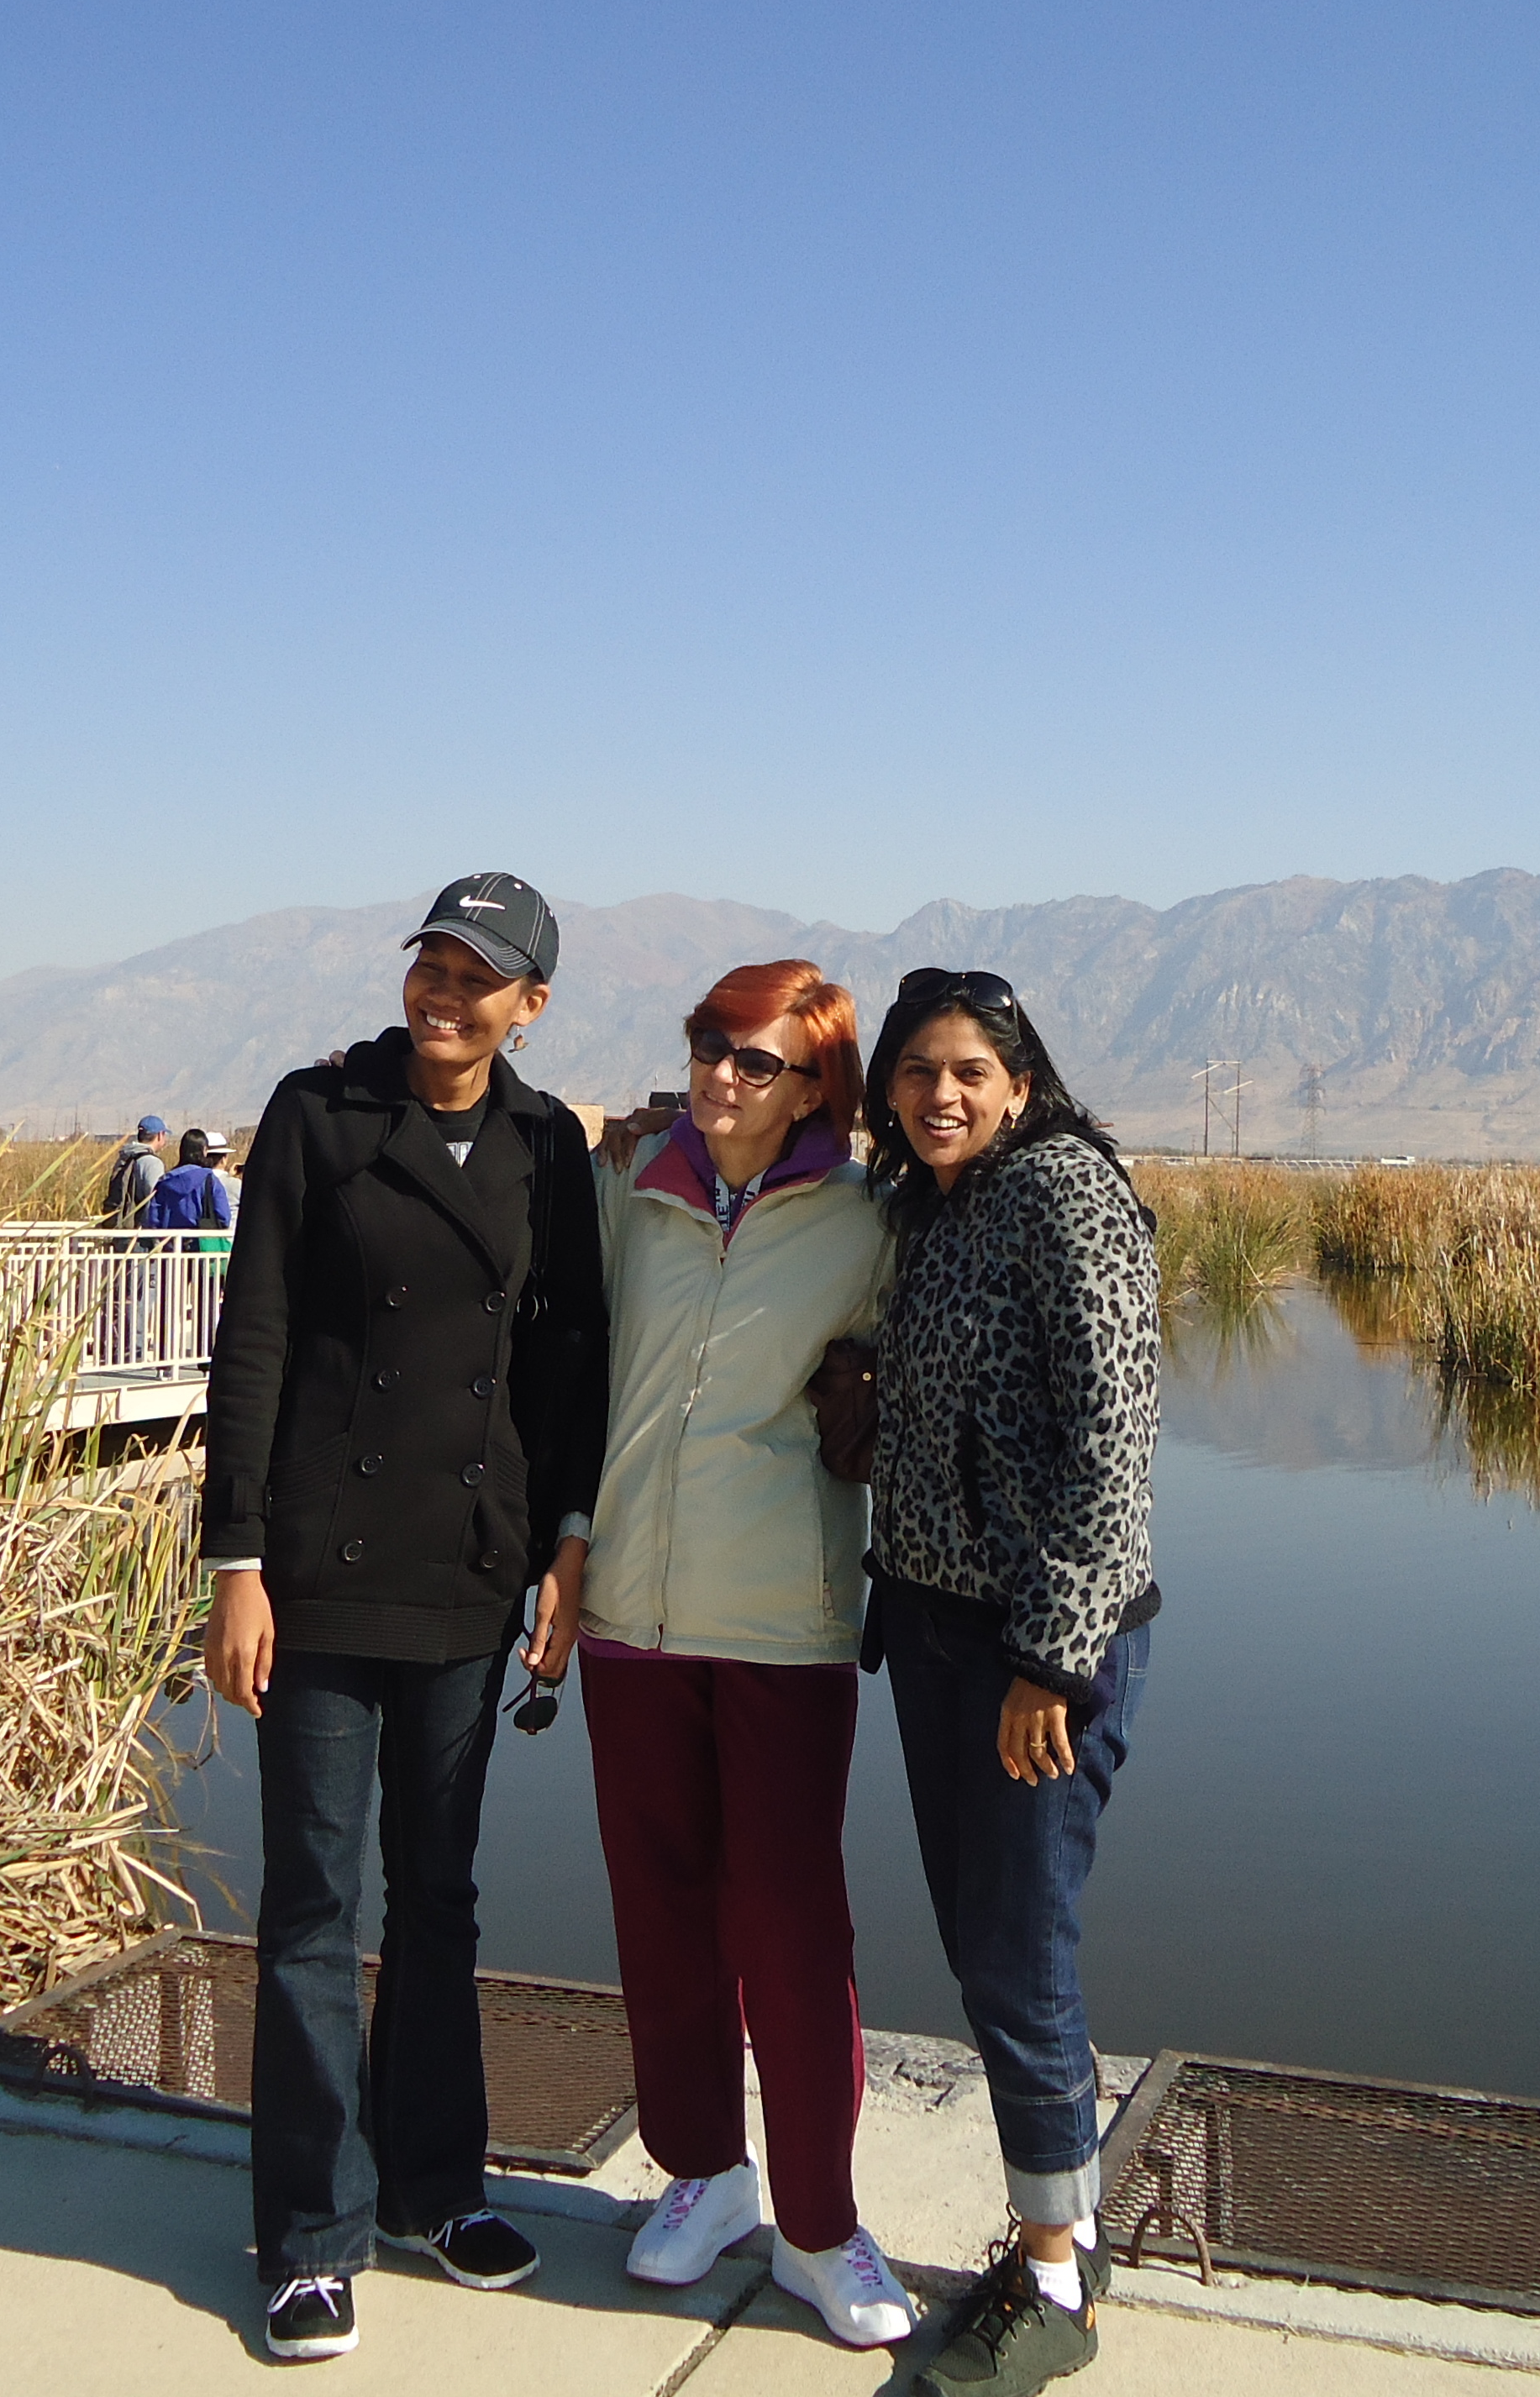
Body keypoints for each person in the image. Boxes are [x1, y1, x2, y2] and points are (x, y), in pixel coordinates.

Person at [197, 873, 612, 2365]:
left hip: (469, 1570)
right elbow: (254, 1344)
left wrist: (567, 1545)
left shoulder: (547, 1146)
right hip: (318, 1566)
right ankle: (310, 2236)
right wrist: (234, 1563)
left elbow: (570, 1360)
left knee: (440, 1893)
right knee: (314, 1905)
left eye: (476, 976)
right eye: (431, 964)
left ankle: (436, 2188)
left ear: (528, 1007)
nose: (443, 994)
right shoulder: (321, 1115)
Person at [577, 964, 914, 2348]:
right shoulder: (631, 1189)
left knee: (788, 1925)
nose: (723, 1075)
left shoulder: (870, 1218)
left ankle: (821, 2228)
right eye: (709, 1046)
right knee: (659, 1913)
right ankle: (704, 2176)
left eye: (757, 1060)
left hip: (783, 1622)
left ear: (816, 1083)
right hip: (628, 1617)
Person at [861, 970, 1160, 2396]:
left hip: (1032, 1651)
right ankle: (1065, 2231)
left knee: (1022, 1955)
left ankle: (1053, 2287)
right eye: (918, 1071)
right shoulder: (929, 1207)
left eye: (970, 1072)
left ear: (1022, 1085)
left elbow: (1115, 1443)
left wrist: (1051, 1659)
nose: (942, 1095)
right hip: (933, 1632)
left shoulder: (1064, 1195)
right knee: (987, 1947)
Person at [141, 1126, 237, 1233]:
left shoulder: (165, 1181)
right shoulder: (209, 1180)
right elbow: (224, 1217)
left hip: (169, 1240)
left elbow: (153, 1219)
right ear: (204, 1151)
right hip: (201, 1240)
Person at [100, 1115, 172, 1226]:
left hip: (119, 1224)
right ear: (159, 1135)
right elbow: (155, 1200)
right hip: (138, 1229)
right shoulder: (152, 1163)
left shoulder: (124, 1157)